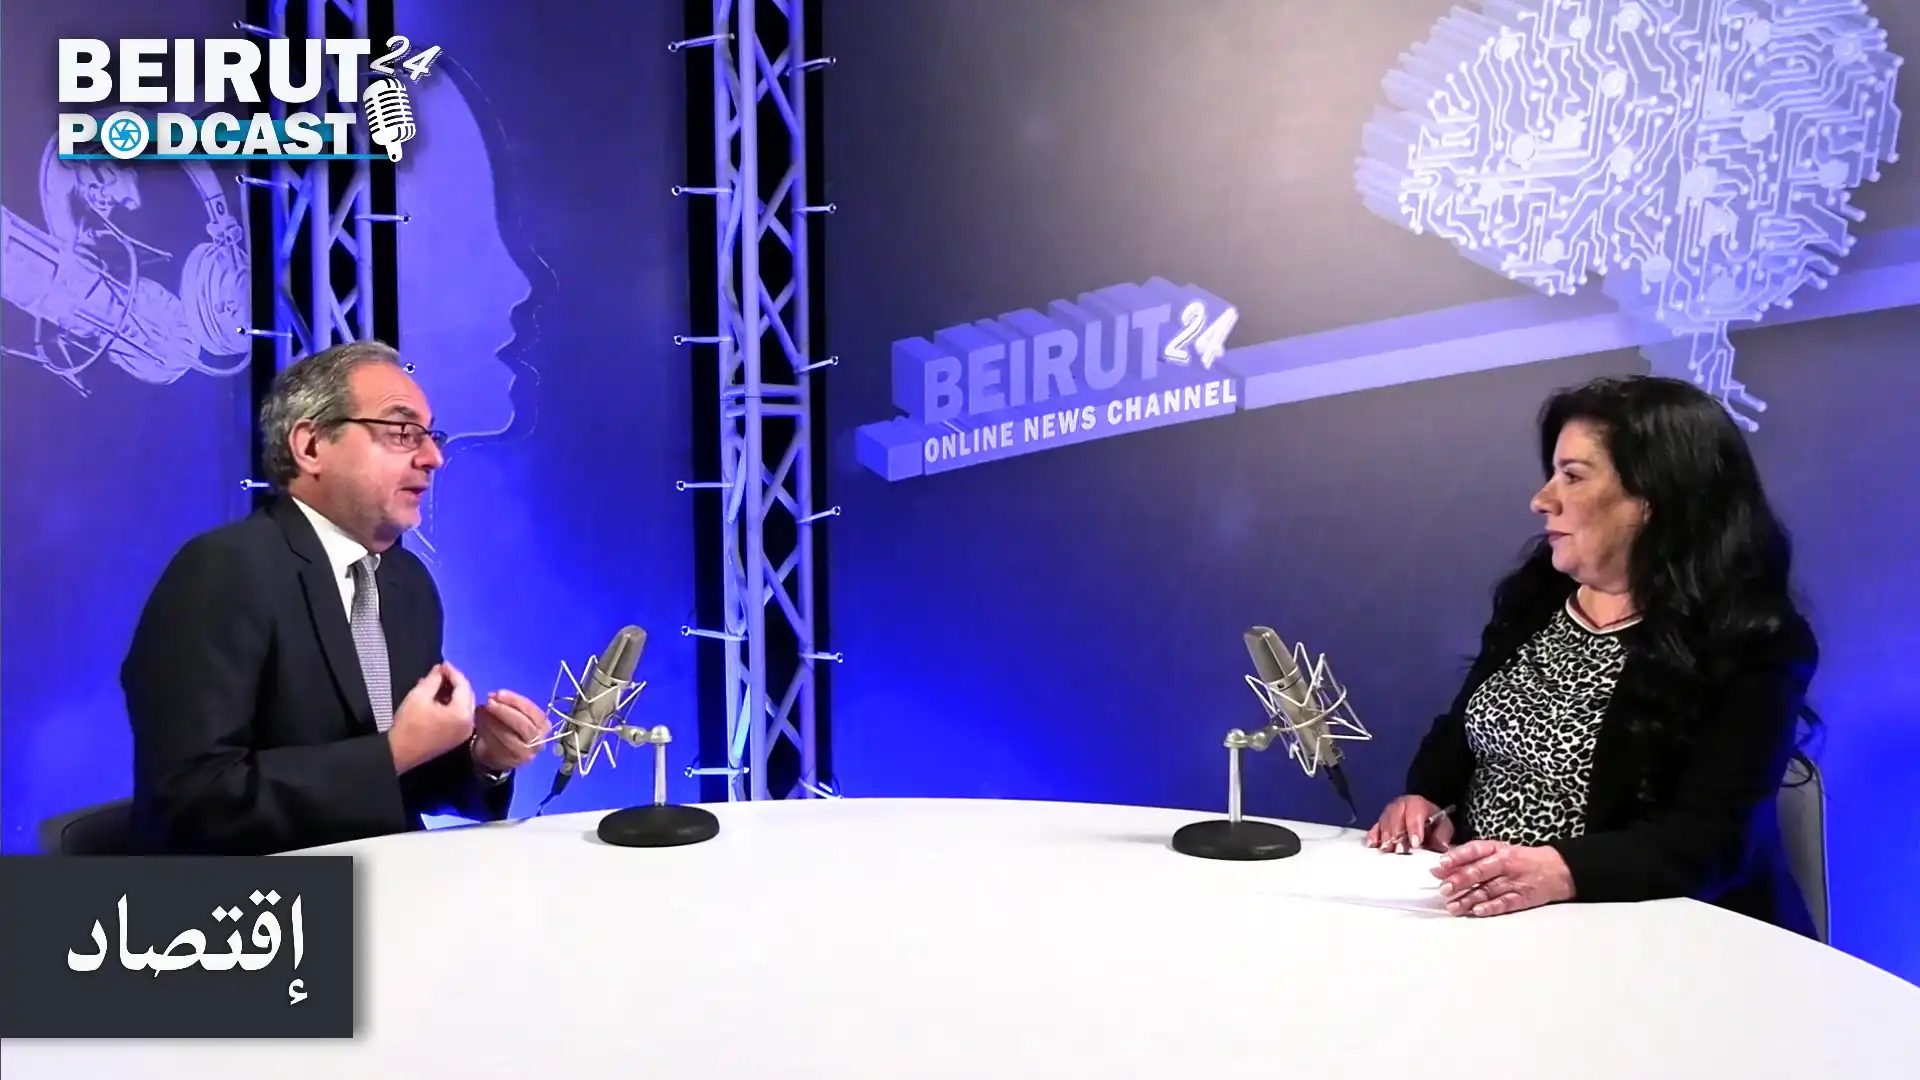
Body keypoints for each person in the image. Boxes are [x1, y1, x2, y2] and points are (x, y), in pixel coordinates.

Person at [1364, 374, 1821, 937]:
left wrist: (1560, 871)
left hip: (1653, 933)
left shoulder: (1756, 640)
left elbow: (1714, 841)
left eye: (1573, 476)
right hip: (1491, 920)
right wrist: (1426, 796)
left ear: (1653, 497)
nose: (1541, 500)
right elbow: (1465, 727)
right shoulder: (1538, 593)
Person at [123, 340, 551, 854]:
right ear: (310, 447)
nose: (433, 457)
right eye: (402, 433)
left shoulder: (407, 582)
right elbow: (189, 804)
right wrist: (393, 752)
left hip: (402, 882)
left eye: (430, 435)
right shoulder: (222, 570)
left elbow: (404, 783)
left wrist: (484, 760)